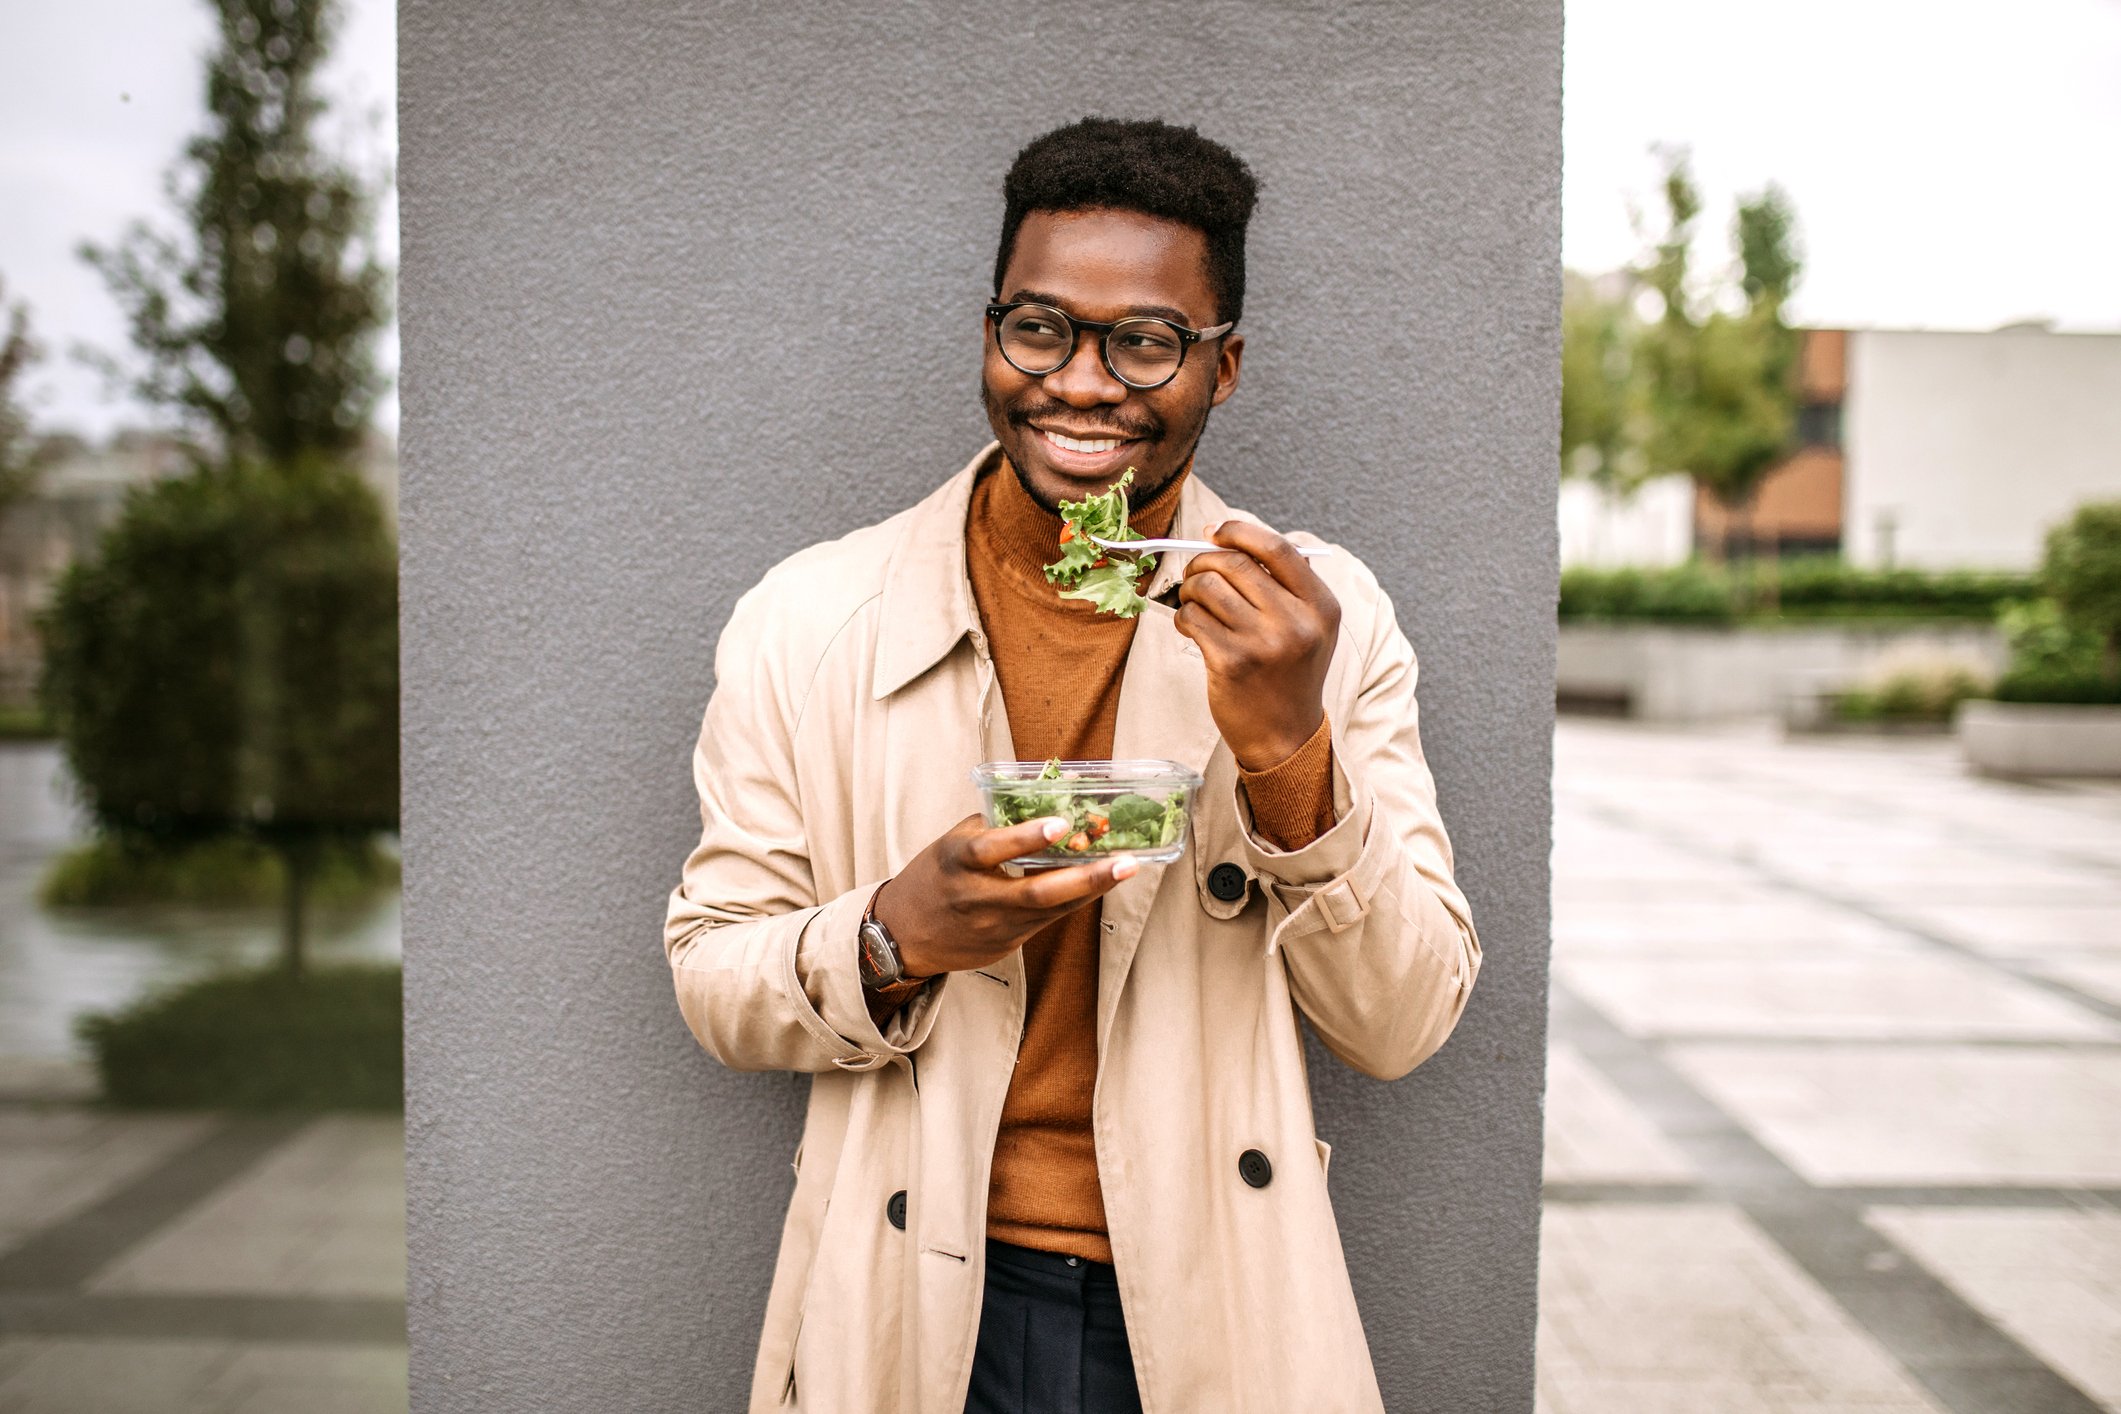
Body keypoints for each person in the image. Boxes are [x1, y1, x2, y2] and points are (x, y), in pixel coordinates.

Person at [664, 116, 1480, 1414]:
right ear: (989, 329)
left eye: (1145, 341)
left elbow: (1401, 1017)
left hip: (1207, 1306)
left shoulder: (1324, 618)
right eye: (1037, 327)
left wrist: (1285, 744)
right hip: (921, 1285)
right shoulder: (807, 618)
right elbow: (713, 972)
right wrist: (890, 933)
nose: (1082, 384)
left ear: (1226, 365)